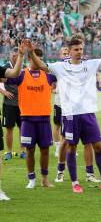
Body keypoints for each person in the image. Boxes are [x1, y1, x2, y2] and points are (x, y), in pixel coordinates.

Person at [28, 30, 101, 193]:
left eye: (81, 49)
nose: (79, 52)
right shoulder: (60, 67)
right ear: (69, 50)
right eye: (76, 49)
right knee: (72, 147)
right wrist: (31, 52)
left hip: (88, 113)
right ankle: (75, 183)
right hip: (70, 115)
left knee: (98, 146)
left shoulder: (90, 65)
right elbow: (41, 66)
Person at [54, 47, 101, 184]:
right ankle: (60, 170)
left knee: (88, 142)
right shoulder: (60, 67)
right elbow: (49, 82)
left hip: (85, 110)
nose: (66, 55)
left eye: (81, 49)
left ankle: (89, 174)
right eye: (64, 53)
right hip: (64, 107)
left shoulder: (86, 66)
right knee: (65, 142)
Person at [6, 44, 56, 189]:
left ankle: (45, 179)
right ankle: (31, 179)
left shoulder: (49, 75)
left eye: (41, 60)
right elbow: (6, 78)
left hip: (44, 119)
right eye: (36, 59)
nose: (39, 62)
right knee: (30, 150)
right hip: (27, 120)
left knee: (45, 150)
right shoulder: (21, 75)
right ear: (30, 59)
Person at [0, 39, 26, 201]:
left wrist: (22, 56)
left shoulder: (4, 68)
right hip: (9, 105)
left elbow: (14, 74)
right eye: (16, 54)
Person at [1, 47, 25, 160]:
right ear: (13, 56)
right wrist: (3, 91)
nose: (19, 58)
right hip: (9, 104)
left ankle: (23, 151)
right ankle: (9, 152)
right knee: (9, 128)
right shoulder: (5, 67)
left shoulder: (23, 68)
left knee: (22, 127)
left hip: (22, 104)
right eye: (17, 56)